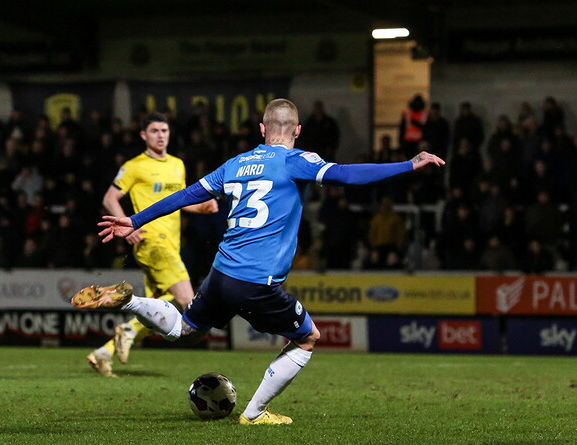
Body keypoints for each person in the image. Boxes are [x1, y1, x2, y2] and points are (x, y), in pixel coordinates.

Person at [72, 98, 444, 424]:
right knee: (307, 338)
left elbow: (185, 195)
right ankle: (254, 413)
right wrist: (408, 164)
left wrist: (134, 220)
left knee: (187, 329)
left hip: (221, 272)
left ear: (262, 128)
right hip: (257, 281)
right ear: (297, 130)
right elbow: (347, 174)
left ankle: (131, 300)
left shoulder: (234, 164)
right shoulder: (298, 160)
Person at [85, 112, 218, 378]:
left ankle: (104, 352)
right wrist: (129, 225)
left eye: (164, 131)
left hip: (171, 243)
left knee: (155, 309)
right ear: (144, 135)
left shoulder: (177, 164)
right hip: (151, 242)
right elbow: (110, 197)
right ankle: (129, 330)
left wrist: (201, 207)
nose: (160, 135)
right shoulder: (134, 166)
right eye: (155, 131)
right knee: (187, 301)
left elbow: (179, 200)